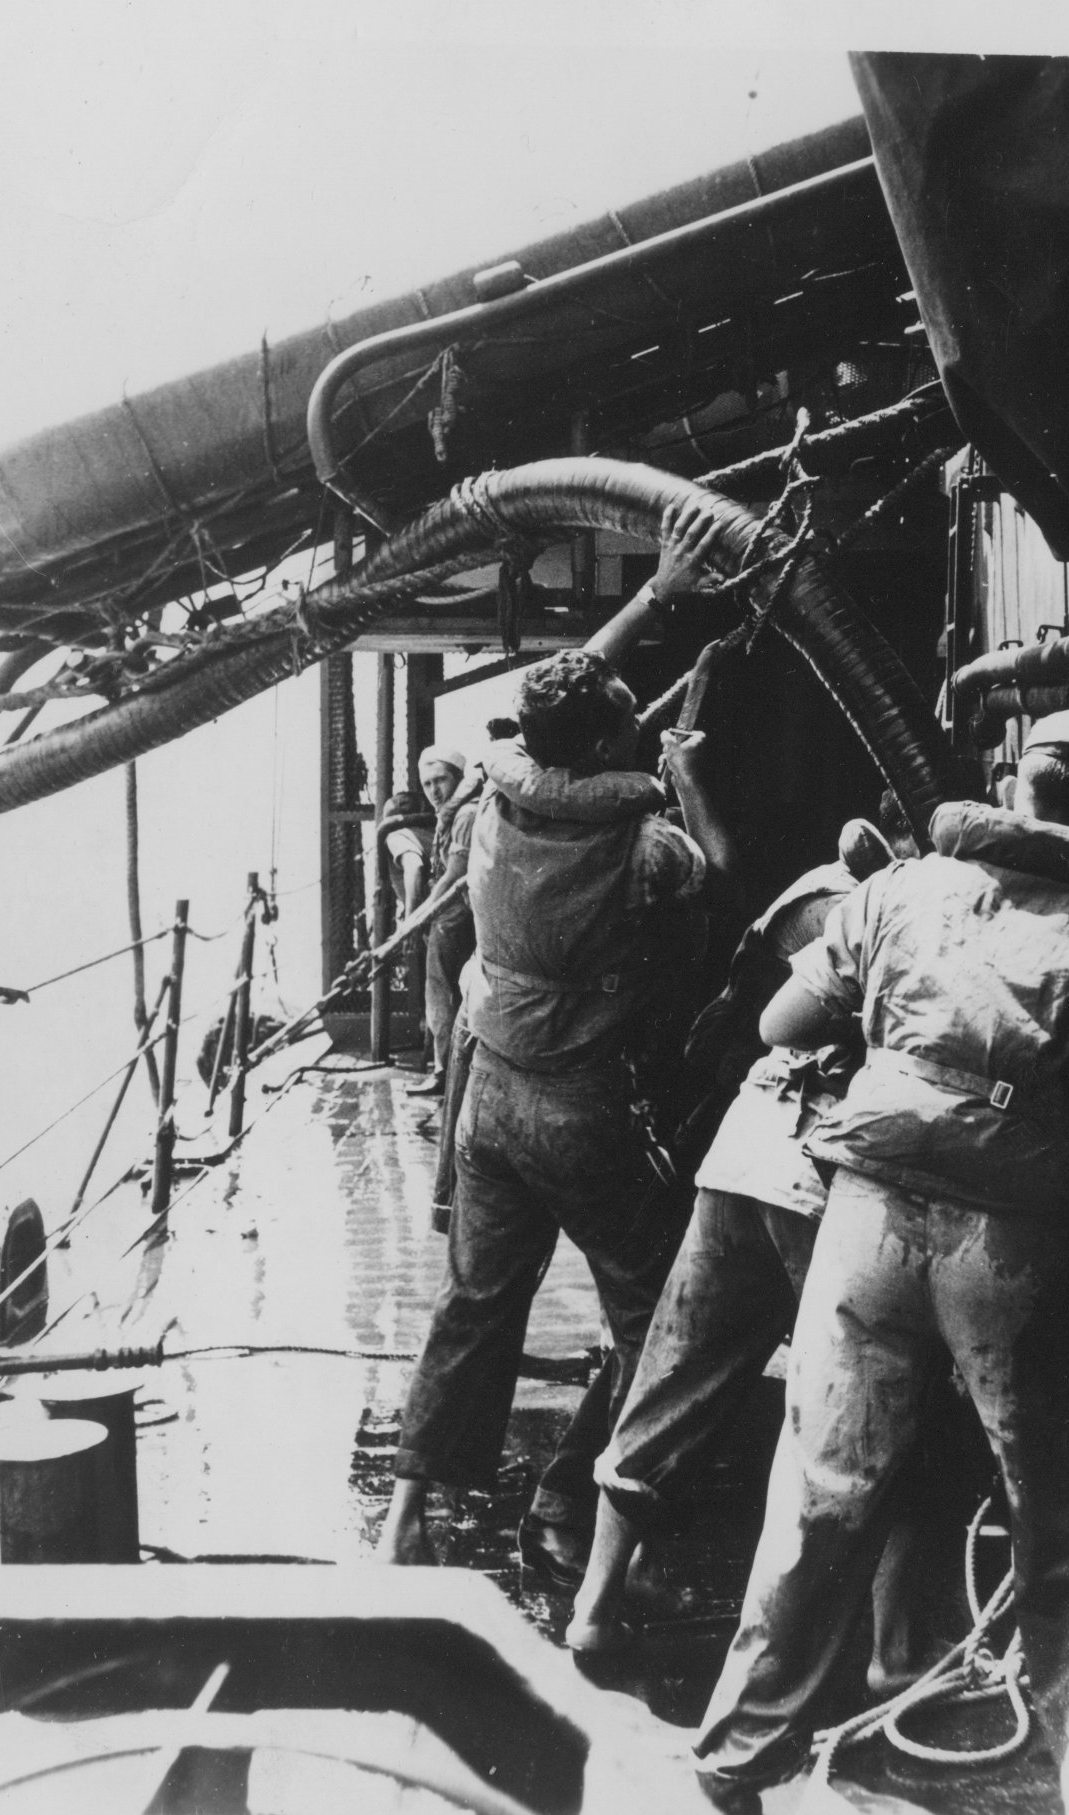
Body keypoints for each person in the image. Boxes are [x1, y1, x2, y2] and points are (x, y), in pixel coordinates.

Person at [692, 711, 1069, 1811]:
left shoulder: (898, 889)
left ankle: (734, 1755)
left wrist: (899, 1041)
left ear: (1012, 786)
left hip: (866, 1214)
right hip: (1005, 1241)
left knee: (820, 1489)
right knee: (1066, 1508)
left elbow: (779, 1025)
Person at [377, 498, 736, 1572]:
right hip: (579, 1109)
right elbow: (719, 879)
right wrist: (689, 778)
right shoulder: (645, 847)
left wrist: (656, 598)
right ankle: (574, 1503)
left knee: (474, 1305)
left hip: (486, 1094)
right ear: (614, 743)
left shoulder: (490, 803)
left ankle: (404, 1522)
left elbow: (561, 695)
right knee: (654, 1311)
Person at [565, 817, 904, 1655]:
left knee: (670, 1379)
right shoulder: (898, 906)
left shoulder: (810, 893)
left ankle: (592, 1609)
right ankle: (891, 1651)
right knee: (877, 1402)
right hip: (824, 1161)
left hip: (744, 1146)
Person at [406, 745, 478, 1098]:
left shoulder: (465, 815)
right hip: (454, 911)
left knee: (442, 991)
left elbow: (455, 873)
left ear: (458, 778)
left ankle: (445, 1073)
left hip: (456, 915)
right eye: (427, 784)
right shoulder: (453, 813)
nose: (434, 790)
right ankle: (449, 1071)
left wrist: (420, 915)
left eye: (441, 780)